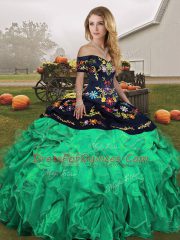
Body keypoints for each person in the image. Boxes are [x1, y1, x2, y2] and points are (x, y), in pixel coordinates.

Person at [0, 5, 180, 240]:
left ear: (108, 25)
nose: (95, 28)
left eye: (99, 23)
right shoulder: (85, 48)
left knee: (139, 139)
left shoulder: (112, 51)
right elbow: (80, 79)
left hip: (112, 104)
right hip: (89, 101)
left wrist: (125, 100)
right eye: (91, 24)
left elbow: (113, 81)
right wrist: (78, 102)